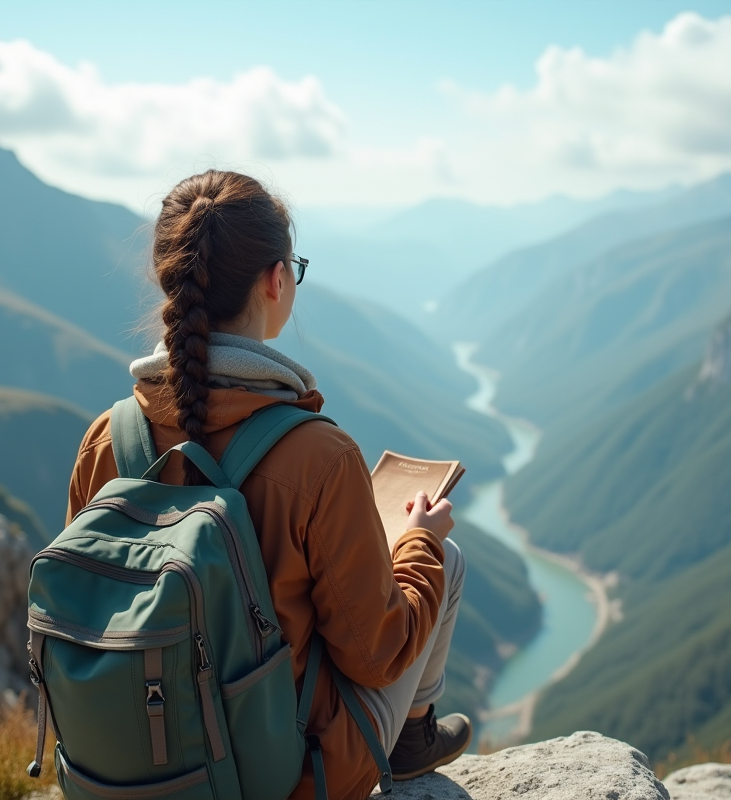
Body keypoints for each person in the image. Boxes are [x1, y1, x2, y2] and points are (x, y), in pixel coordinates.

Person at [66, 169, 471, 800]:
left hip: (125, 766)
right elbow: (377, 653)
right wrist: (415, 542)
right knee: (444, 557)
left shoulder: (106, 438)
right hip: (286, 779)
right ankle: (411, 740)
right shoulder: (317, 455)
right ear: (276, 280)